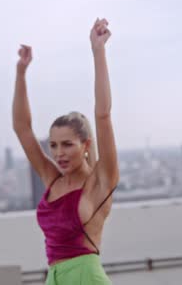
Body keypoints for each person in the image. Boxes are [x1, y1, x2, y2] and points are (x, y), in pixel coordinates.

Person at [12, 18, 118, 284]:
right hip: (54, 278)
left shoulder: (99, 182)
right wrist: (21, 73)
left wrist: (98, 51)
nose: (58, 153)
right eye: (54, 145)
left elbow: (103, 115)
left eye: (67, 144)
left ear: (86, 145)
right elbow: (22, 129)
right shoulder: (52, 180)